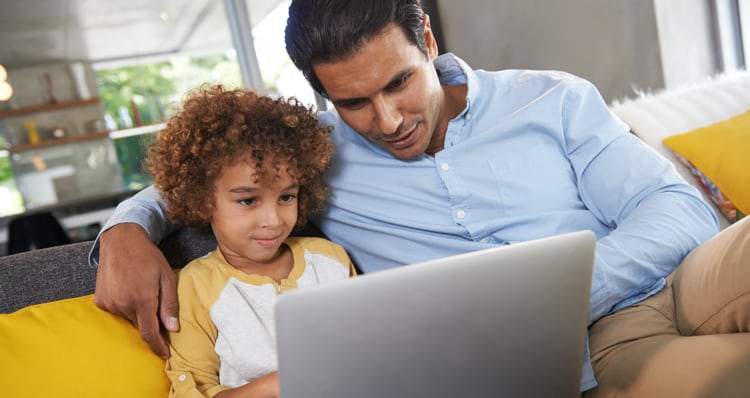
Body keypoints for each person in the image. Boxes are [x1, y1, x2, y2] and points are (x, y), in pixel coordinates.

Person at [92, 1, 750, 396]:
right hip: (594, 353)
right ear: (325, 96)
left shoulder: (550, 98)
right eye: (352, 101)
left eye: (400, 82)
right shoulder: (308, 158)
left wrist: (568, 289)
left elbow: (679, 209)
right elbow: (206, 175)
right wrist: (125, 230)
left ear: (428, 41)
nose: (386, 119)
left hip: (679, 279)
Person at [143, 84, 356, 397]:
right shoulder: (197, 287)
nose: (273, 219)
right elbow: (192, 390)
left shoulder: (331, 259)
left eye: (286, 196)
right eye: (248, 201)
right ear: (202, 200)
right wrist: (272, 387)